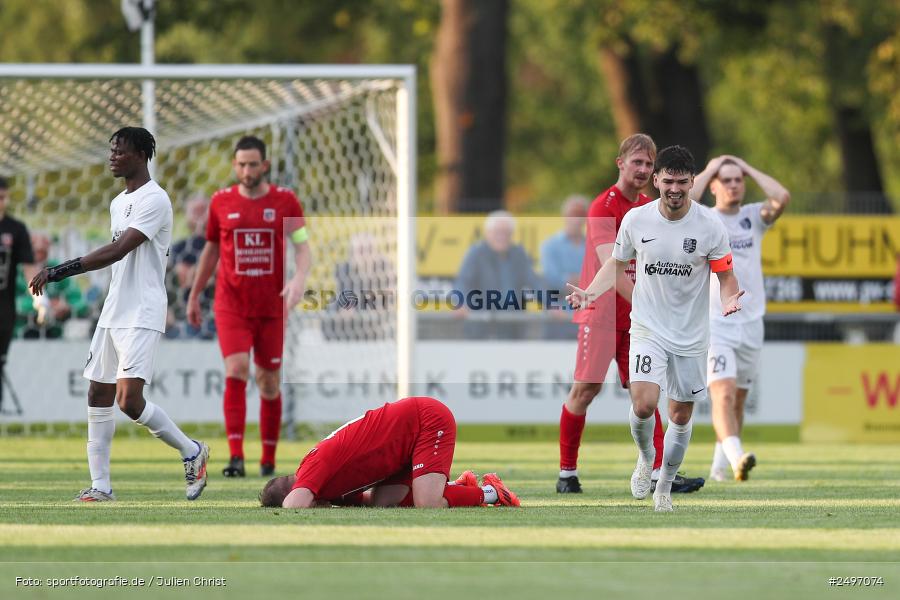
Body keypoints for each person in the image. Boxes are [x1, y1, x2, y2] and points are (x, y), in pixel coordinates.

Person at [29, 127, 209, 502]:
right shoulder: (117, 202)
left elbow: (117, 251)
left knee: (129, 401)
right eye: (111, 150)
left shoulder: (155, 199)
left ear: (141, 155)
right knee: (97, 392)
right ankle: (101, 486)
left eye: (120, 151)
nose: (112, 157)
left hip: (142, 310)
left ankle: (191, 450)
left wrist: (59, 270)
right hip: (114, 310)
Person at [568, 145, 743, 511]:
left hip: (692, 336)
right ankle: (646, 459)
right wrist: (589, 293)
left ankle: (663, 488)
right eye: (668, 181)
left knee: (680, 415)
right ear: (657, 180)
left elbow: (726, 276)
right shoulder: (637, 220)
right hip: (648, 327)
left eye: (682, 182)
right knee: (644, 404)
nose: (675, 189)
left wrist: (729, 298)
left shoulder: (710, 226)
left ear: (692, 182)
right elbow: (615, 265)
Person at [557, 134, 705, 496]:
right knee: (585, 388)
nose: (642, 169)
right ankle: (567, 473)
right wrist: (655, 307)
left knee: (646, 391)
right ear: (619, 163)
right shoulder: (602, 206)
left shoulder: (649, 210)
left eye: (649, 163)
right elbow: (617, 267)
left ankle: (656, 471)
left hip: (638, 317)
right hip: (604, 314)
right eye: (636, 162)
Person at [187, 136, 311, 478]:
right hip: (232, 305)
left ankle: (268, 458)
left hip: (272, 306)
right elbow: (211, 250)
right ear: (234, 165)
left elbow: (302, 245)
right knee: (237, 368)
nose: (246, 170)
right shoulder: (221, 202)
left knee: (269, 381)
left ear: (265, 165)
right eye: (241, 164)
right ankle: (236, 457)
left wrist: (299, 278)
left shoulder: (285, 201)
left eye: (253, 164)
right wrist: (195, 293)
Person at [690, 155, 790, 482]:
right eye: (727, 180)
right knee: (723, 393)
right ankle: (737, 457)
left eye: (738, 179)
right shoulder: (704, 217)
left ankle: (721, 467)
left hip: (752, 322)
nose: (734, 184)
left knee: (739, 400)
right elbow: (689, 197)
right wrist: (712, 168)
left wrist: (748, 167)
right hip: (717, 321)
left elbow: (782, 197)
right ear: (714, 186)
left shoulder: (752, 217)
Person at [259, 396, 520, 509]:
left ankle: (493, 492)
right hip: (403, 451)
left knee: (428, 503)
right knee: (383, 503)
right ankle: (456, 486)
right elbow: (365, 499)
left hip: (426, 420)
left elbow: (294, 507)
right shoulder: (325, 488)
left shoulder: (312, 468)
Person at [455, 210, 545, 339]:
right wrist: (461, 302)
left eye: (506, 232)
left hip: (513, 326)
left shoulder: (518, 254)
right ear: (487, 233)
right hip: (483, 326)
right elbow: (464, 281)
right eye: (497, 232)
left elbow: (534, 282)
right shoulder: (476, 254)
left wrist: (550, 304)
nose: (502, 236)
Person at [0, 176, 37, 411]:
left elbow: (29, 269)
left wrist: (39, 300)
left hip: (4, 310)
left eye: (2, 198)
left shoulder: (16, 229)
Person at [540, 195, 588, 339]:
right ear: (565, 216)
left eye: (580, 215)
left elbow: (598, 277)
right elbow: (552, 279)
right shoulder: (550, 245)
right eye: (572, 214)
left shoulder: (592, 246)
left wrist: (572, 280)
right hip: (558, 317)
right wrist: (582, 281)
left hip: (586, 317)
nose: (576, 219)